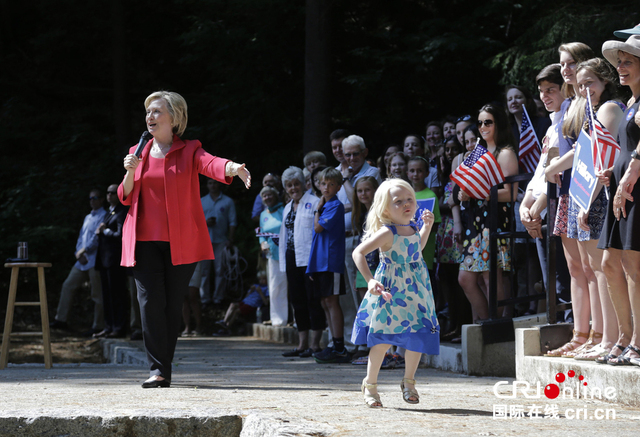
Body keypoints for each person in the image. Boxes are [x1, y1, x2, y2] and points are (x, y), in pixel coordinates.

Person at [118, 90, 251, 388]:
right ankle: (157, 369)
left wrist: (232, 167)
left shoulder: (190, 149)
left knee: (171, 304)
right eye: (148, 112)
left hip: (181, 243)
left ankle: (163, 369)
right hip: (143, 240)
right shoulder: (137, 151)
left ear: (174, 117)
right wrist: (130, 170)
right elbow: (124, 196)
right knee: (149, 302)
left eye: (156, 112)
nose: (149, 117)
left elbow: (210, 163)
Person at [351, 179, 439, 408]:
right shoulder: (386, 232)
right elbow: (358, 253)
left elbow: (415, 249)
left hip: (416, 290)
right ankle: (370, 384)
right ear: (385, 209)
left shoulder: (412, 227)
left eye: (409, 199)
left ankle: (409, 382)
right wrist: (370, 281)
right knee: (381, 340)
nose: (406, 204)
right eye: (398, 201)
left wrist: (426, 228)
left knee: (417, 336)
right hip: (391, 290)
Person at [544, 42, 599, 357]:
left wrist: (554, 166)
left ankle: (598, 333)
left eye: (571, 63)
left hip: (588, 187)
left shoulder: (592, 102)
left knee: (594, 268)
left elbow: (586, 148)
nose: (566, 69)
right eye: (562, 64)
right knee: (574, 268)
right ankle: (580, 334)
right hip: (567, 190)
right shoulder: (569, 104)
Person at [599, 35, 640, 366]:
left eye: (628, 61)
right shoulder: (630, 103)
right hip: (619, 189)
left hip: (634, 190)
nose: (620, 67)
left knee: (634, 267)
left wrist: (628, 174)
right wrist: (612, 172)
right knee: (610, 263)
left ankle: (638, 341)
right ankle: (625, 336)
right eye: (619, 61)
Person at [519, 63, 571, 320]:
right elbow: (541, 172)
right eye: (541, 91)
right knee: (550, 277)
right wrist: (524, 206)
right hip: (541, 208)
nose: (545, 96)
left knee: (564, 278)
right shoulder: (551, 127)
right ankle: (559, 326)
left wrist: (535, 209)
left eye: (551, 89)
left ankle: (572, 328)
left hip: (558, 207)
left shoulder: (569, 122)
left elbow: (558, 174)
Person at [456, 104, 519, 321]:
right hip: (474, 224)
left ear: (498, 123)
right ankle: (486, 324)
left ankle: (496, 326)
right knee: (466, 279)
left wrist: (476, 193)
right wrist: (464, 193)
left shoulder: (505, 152)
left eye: (488, 122)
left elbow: (510, 193)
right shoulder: (478, 153)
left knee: (491, 277)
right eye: (480, 122)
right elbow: (465, 184)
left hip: (495, 222)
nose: (483, 127)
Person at [279, 166, 325, 358]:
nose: (293, 188)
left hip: (309, 259)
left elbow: (318, 235)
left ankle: (315, 345)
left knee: (313, 301)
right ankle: (301, 344)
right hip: (292, 258)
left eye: (296, 184)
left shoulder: (314, 202)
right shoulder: (287, 207)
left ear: (303, 184)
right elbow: (283, 236)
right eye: (289, 185)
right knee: (297, 301)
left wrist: (316, 263)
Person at [50, 189, 107, 335]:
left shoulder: (104, 215)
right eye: (90, 198)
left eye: (95, 198)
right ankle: (61, 320)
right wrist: (78, 252)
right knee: (68, 285)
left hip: (95, 260)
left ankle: (98, 326)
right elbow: (81, 236)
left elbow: (97, 238)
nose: (92, 200)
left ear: (101, 200)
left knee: (97, 294)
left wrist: (84, 250)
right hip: (81, 261)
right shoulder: (88, 217)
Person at [306, 167, 349, 363]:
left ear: (338, 187)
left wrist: (316, 210)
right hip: (320, 262)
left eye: (331, 184)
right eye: (323, 183)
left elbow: (318, 227)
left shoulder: (335, 206)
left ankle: (339, 346)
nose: (326, 187)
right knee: (325, 302)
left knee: (332, 302)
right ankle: (334, 343)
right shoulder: (325, 205)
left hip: (331, 262)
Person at [94, 184, 129, 338]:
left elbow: (121, 235)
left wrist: (105, 231)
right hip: (104, 260)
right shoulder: (109, 212)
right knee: (107, 295)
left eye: (113, 193)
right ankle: (108, 327)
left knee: (117, 295)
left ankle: (119, 327)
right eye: (107, 192)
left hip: (115, 261)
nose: (109, 195)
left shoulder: (122, 211)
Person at [258, 186, 288, 327]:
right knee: (275, 287)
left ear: (276, 196)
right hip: (272, 255)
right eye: (264, 196)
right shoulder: (263, 214)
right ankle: (278, 320)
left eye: (270, 195)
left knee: (292, 287)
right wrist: (263, 242)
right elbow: (261, 234)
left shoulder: (284, 210)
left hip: (288, 252)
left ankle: (294, 319)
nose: (267, 198)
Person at [214, 271, 269, 335]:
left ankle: (226, 328)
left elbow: (266, 302)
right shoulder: (256, 286)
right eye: (260, 279)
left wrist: (260, 292)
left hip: (252, 304)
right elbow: (245, 298)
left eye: (263, 279)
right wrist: (250, 291)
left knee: (237, 311)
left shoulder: (266, 289)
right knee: (232, 305)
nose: (261, 281)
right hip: (245, 302)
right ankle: (224, 322)